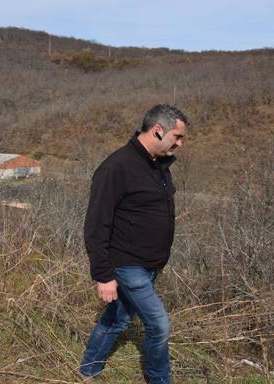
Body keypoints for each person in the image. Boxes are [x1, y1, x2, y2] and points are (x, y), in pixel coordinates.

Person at [80, 104, 189, 383]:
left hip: (150, 264)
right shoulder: (116, 167)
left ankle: (89, 369)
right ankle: (159, 379)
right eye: (177, 137)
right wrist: (103, 275)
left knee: (118, 318)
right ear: (157, 130)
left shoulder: (159, 166)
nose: (179, 144)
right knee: (159, 325)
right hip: (127, 264)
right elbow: (95, 225)